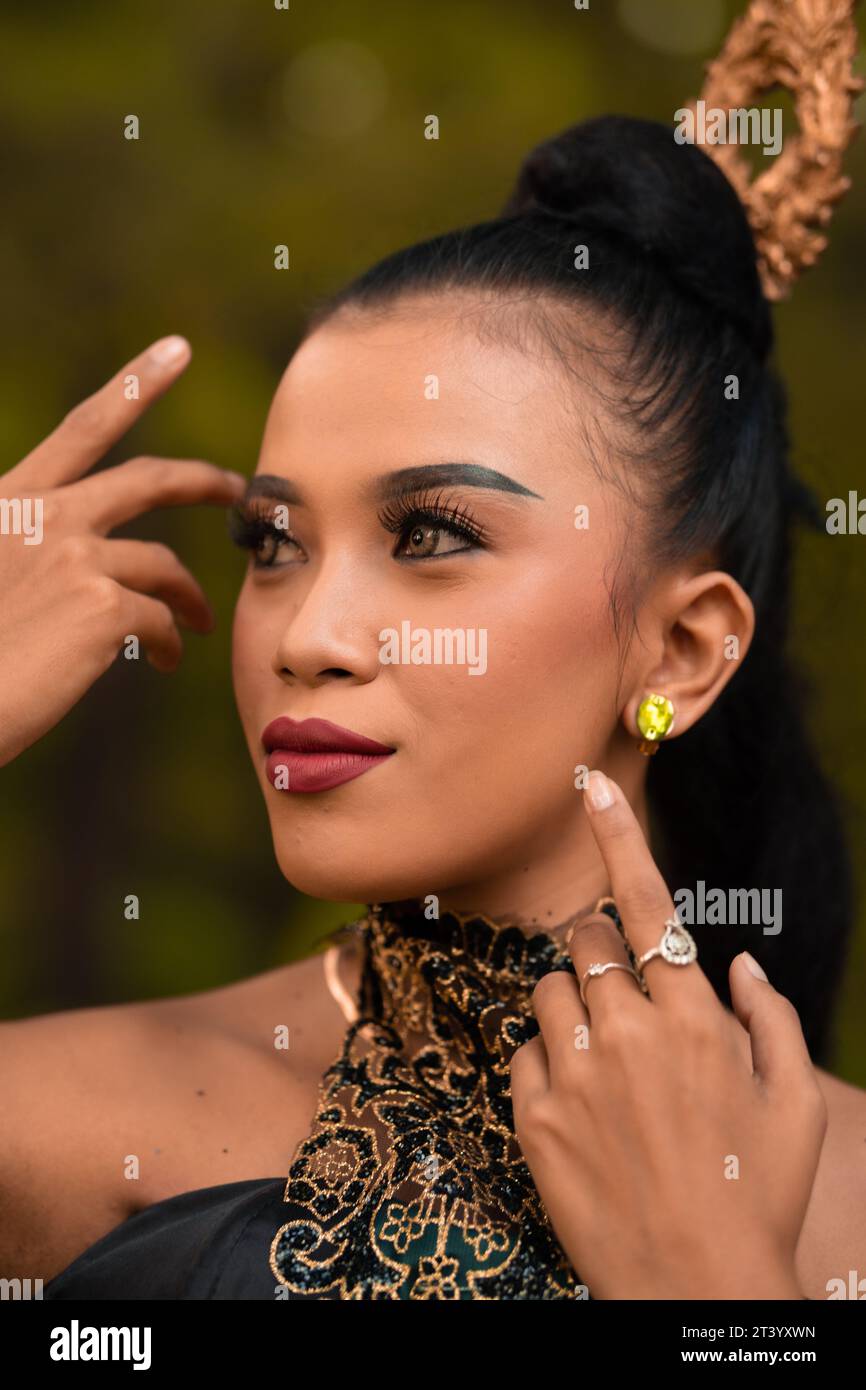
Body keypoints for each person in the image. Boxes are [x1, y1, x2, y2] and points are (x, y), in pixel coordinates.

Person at [4, 13, 866, 1301]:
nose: (308, 638)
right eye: (273, 542)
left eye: (432, 533)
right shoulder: (53, 1137)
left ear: (686, 651)